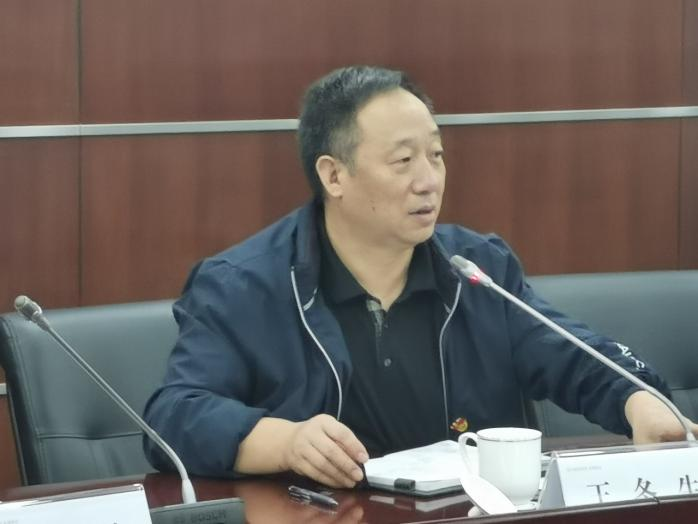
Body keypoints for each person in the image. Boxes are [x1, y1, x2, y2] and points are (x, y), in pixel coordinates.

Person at [143, 65, 697, 488]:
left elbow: (572, 354)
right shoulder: (243, 286)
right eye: (404, 161)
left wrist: (638, 400)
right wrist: (286, 442)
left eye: (436, 154)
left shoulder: (477, 269)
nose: (429, 180)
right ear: (334, 176)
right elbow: (172, 417)